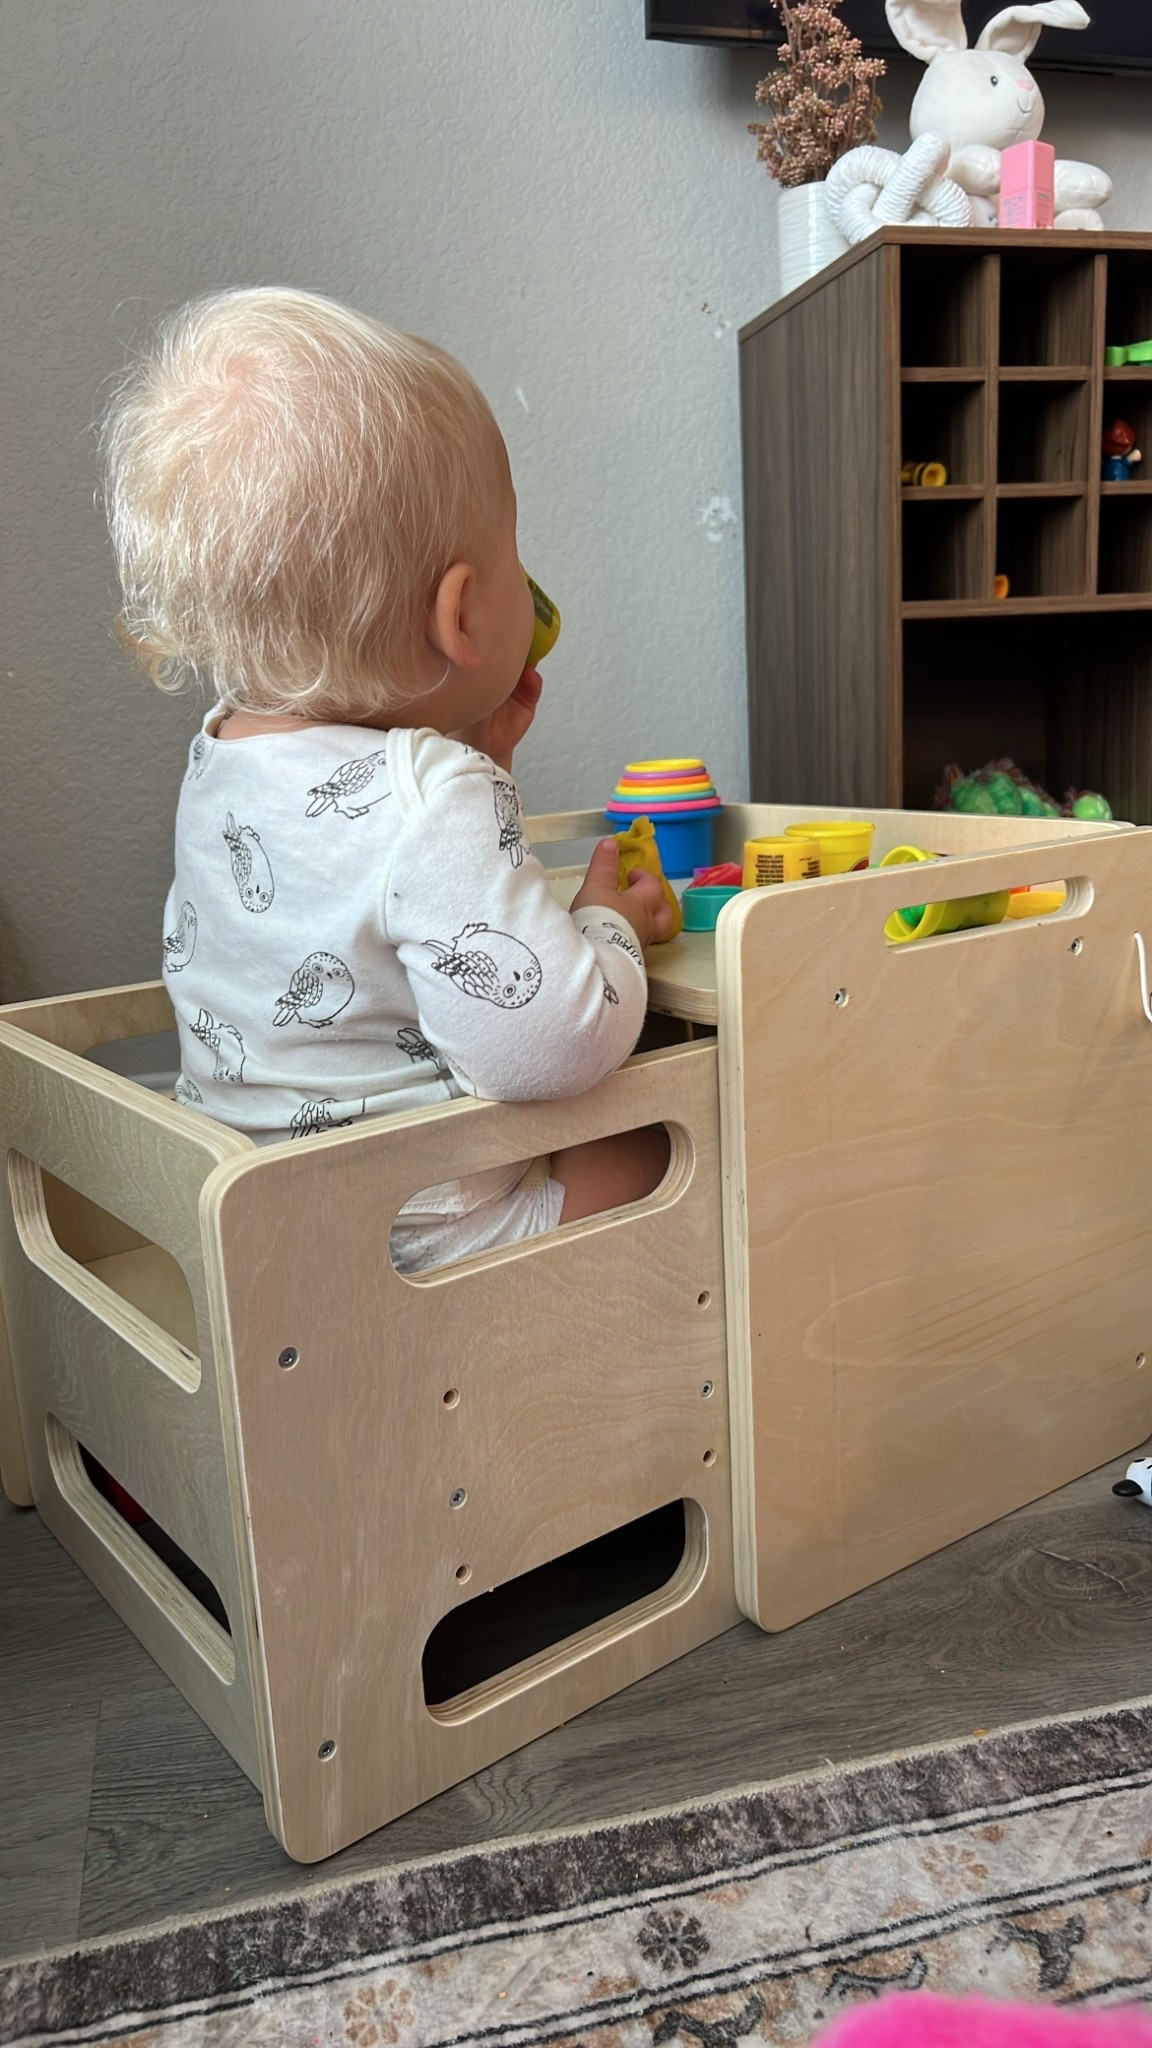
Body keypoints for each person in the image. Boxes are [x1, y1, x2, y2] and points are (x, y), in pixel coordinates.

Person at [100, 287, 673, 1271]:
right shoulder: (432, 793)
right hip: (412, 1241)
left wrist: (483, 759)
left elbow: (358, 884)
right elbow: (554, 1043)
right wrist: (604, 923)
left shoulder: (220, 758)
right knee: (651, 1143)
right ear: (462, 617)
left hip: (256, 1236)